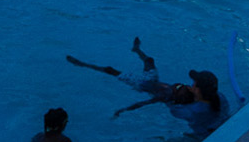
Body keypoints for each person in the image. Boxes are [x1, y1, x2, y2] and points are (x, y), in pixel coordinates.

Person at [68, 38, 226, 136]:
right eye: (181, 86)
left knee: (111, 70)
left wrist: (122, 110)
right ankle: (136, 49)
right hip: (153, 79)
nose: (185, 85)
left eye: (192, 85)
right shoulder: (207, 97)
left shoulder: (168, 98)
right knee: (149, 61)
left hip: (142, 83)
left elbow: (143, 104)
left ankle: (82, 64)